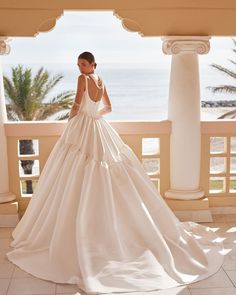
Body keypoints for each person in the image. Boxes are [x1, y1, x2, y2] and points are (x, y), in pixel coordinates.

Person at [6, 51, 224, 294]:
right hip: (100, 127)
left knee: (74, 169)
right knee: (103, 171)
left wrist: (72, 122)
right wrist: (96, 116)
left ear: (92, 64)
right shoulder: (101, 80)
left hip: (83, 127)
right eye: (78, 64)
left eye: (83, 64)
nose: (80, 68)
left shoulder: (83, 80)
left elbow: (77, 104)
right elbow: (108, 107)